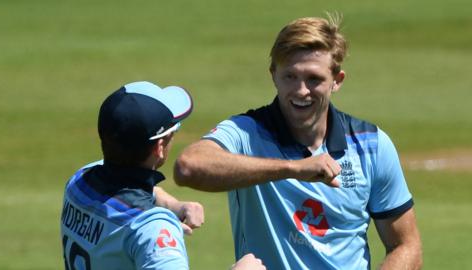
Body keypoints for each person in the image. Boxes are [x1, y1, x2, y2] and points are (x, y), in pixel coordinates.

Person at [174, 15, 423, 269]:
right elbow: (188, 167)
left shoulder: (372, 145)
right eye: (290, 77)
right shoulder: (246, 133)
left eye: (314, 79)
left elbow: (406, 245)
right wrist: (292, 169)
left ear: (337, 80)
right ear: (273, 75)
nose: (301, 91)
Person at [60, 81, 265, 270]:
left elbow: (125, 186)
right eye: (172, 133)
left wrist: (172, 205)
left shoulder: (79, 182)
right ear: (159, 147)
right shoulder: (152, 228)